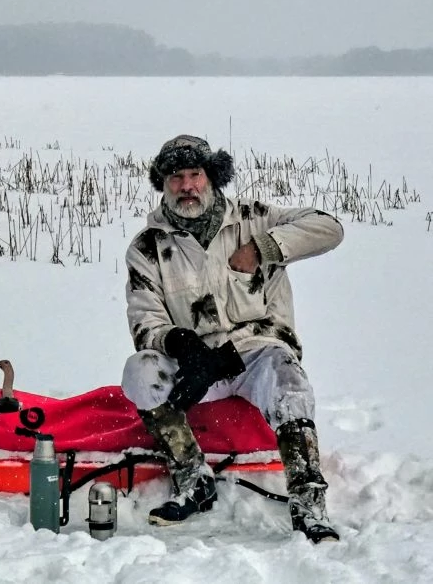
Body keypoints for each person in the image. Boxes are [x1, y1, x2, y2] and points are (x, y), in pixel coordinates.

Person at [121, 134, 343, 543]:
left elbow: (329, 228)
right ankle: (192, 478)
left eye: (195, 175)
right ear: (162, 184)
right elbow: (144, 320)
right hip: (195, 365)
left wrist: (265, 247)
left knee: (290, 379)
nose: (186, 186)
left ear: (212, 177)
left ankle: (308, 501)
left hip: (256, 354)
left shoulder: (254, 219)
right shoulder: (147, 247)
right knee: (139, 372)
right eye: (175, 178)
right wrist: (181, 346)